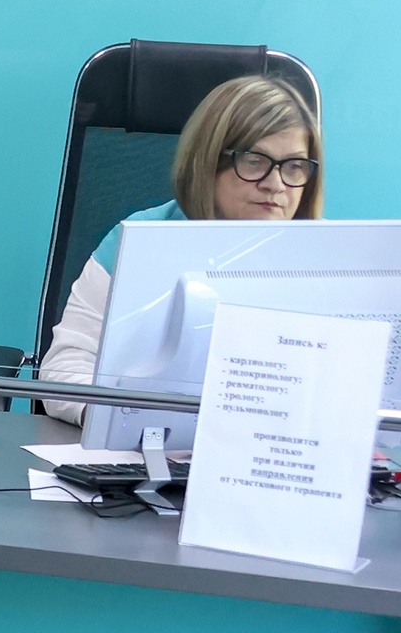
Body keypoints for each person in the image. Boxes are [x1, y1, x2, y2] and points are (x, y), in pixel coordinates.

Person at [40, 75, 323, 425]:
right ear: (208, 162)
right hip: (148, 446)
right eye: (254, 161)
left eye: (294, 166)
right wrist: (118, 422)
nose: (276, 184)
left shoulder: (327, 260)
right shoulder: (140, 241)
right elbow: (66, 366)